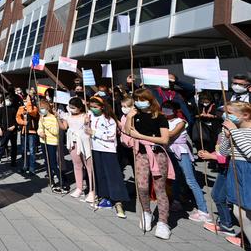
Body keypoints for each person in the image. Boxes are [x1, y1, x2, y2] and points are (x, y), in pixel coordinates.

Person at [124, 89, 171, 238]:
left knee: (159, 189)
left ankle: (163, 222)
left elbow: (164, 139)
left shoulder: (160, 117)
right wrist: (129, 117)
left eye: (142, 99)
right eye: (136, 99)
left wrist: (142, 136)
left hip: (158, 154)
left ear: (150, 99)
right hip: (141, 154)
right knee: (142, 186)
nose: (139, 101)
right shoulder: (134, 114)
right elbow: (128, 133)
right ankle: (146, 212)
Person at [162, 100, 212, 222]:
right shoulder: (164, 121)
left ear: (175, 110)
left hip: (181, 152)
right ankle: (176, 201)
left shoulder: (181, 122)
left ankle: (203, 210)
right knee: (175, 178)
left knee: (190, 180)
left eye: (168, 109)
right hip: (169, 151)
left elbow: (171, 134)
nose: (165, 112)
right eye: (164, 109)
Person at [215, 101, 251, 251]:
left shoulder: (247, 131)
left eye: (230, 113)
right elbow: (223, 152)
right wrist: (226, 137)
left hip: (247, 170)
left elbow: (249, 152)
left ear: (245, 115)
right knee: (238, 211)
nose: (226, 116)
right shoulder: (234, 130)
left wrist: (235, 133)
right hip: (235, 168)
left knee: (246, 212)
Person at [86, 96, 128, 219]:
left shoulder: (109, 119)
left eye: (95, 107)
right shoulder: (90, 116)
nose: (93, 109)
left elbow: (110, 135)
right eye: (91, 107)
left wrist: (94, 133)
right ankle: (105, 197)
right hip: (95, 148)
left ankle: (118, 201)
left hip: (108, 149)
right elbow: (86, 130)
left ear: (102, 107)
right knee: (100, 174)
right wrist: (86, 125)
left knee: (112, 175)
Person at [198, 133, 235, 237]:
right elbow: (219, 152)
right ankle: (225, 222)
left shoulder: (233, 133)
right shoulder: (221, 134)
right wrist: (208, 153)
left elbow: (228, 157)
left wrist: (211, 156)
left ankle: (227, 225)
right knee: (216, 195)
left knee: (219, 196)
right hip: (223, 169)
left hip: (229, 169)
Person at [59, 97, 95, 202]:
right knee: (77, 165)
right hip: (73, 143)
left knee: (89, 167)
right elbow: (64, 127)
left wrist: (88, 121)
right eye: (70, 107)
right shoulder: (68, 116)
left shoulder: (85, 115)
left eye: (73, 107)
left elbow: (89, 128)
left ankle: (92, 190)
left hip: (85, 143)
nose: (71, 109)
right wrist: (58, 118)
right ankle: (79, 188)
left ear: (79, 108)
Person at [37, 100, 62, 192]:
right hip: (43, 142)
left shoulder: (53, 118)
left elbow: (55, 132)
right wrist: (40, 133)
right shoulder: (41, 117)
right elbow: (39, 129)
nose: (41, 110)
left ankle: (61, 180)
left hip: (51, 142)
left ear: (47, 108)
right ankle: (51, 180)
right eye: (40, 108)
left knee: (53, 163)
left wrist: (46, 125)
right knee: (46, 162)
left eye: (43, 108)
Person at [16, 94, 39, 175]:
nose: (26, 102)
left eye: (27, 100)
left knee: (32, 150)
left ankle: (32, 168)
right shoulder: (20, 108)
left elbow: (32, 113)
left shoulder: (34, 108)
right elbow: (18, 118)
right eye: (25, 101)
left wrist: (29, 104)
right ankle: (25, 166)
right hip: (23, 131)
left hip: (31, 132)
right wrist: (23, 122)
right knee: (23, 150)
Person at [0, 94, 19, 166]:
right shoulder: (2, 109)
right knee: (3, 144)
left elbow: (17, 120)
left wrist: (14, 126)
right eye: (7, 99)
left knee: (14, 146)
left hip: (13, 130)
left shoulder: (14, 109)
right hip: (5, 130)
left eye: (10, 100)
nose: (8, 101)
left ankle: (13, 161)